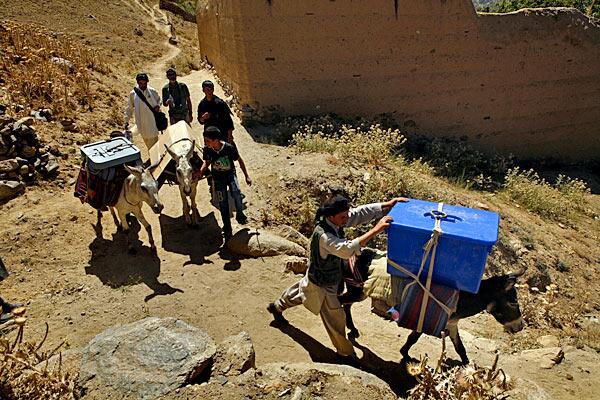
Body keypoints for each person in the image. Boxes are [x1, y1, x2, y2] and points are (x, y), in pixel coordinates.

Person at [267, 195, 407, 364]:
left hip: (321, 273)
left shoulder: (336, 221)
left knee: (302, 290)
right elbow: (345, 250)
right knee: (335, 318)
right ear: (331, 216)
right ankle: (345, 353)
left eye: (346, 215)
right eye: (343, 217)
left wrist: (386, 205)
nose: (347, 219)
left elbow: (358, 213)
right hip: (323, 283)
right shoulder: (325, 236)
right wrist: (375, 230)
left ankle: (277, 306)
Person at [198, 126, 252, 242]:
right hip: (218, 179)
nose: (205, 143)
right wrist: (200, 173)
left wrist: (247, 176)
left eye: (208, 140)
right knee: (223, 203)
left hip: (230, 175)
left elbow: (240, 160)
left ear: (215, 140)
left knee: (237, 192)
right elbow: (207, 163)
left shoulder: (228, 148)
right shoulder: (207, 150)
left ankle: (240, 214)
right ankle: (227, 226)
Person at [124, 73, 162, 149]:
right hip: (141, 123)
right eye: (140, 83)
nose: (143, 85)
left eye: (144, 83)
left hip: (152, 122)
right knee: (147, 142)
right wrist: (126, 120)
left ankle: (155, 158)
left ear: (147, 82)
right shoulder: (133, 94)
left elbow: (159, 100)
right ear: (138, 82)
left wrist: (158, 106)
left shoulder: (152, 91)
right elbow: (129, 108)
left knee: (155, 143)